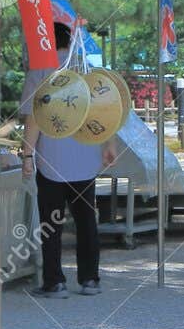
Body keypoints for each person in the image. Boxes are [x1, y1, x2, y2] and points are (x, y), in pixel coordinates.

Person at [21, 27, 119, 298]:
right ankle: (90, 279)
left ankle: (55, 281)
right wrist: (109, 144)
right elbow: (107, 111)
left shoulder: (41, 72)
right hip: (86, 157)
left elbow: (34, 119)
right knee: (86, 219)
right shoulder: (86, 69)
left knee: (51, 223)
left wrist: (27, 155)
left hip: (51, 159)